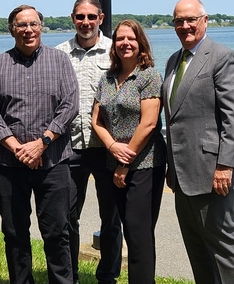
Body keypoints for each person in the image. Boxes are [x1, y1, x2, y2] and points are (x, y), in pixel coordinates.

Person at [0, 4, 79, 284]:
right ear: (11, 29)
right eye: (21, 25)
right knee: (14, 233)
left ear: (41, 27)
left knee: (57, 232)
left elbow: (70, 105)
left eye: (33, 24)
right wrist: (17, 148)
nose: (28, 30)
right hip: (10, 164)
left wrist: (42, 143)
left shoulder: (59, 61)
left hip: (53, 162)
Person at [162, 0, 234, 284]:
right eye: (179, 21)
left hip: (214, 172)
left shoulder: (223, 57)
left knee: (224, 247)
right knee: (197, 248)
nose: (185, 26)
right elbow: (176, 118)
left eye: (191, 19)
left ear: (205, 20)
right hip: (182, 173)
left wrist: (225, 165)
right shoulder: (173, 61)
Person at [91, 19, 167, 284]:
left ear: (140, 43)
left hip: (145, 165)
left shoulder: (149, 76)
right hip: (114, 165)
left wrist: (125, 163)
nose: (125, 43)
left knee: (138, 235)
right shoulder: (107, 78)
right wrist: (112, 147)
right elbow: (96, 121)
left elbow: (149, 124)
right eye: (120, 39)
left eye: (131, 39)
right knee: (128, 229)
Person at [55, 0, 122, 284]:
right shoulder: (58, 54)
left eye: (91, 17)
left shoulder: (116, 51)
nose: (86, 22)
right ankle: (70, 276)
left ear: (101, 18)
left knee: (111, 219)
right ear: (73, 18)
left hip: (107, 147)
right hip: (69, 148)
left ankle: (107, 276)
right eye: (80, 17)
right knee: (66, 218)